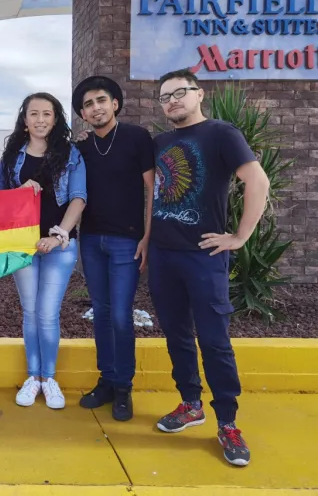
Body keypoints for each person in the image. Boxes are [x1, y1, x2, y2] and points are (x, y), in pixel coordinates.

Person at [149, 68, 270, 467]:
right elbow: (155, 194)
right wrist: (148, 240)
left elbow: (258, 181)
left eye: (180, 92)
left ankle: (228, 422)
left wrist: (239, 237)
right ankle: (190, 403)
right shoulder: (161, 141)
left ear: (198, 94)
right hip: (164, 258)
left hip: (205, 257)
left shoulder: (222, 133)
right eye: (165, 96)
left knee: (215, 341)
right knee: (177, 336)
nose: (172, 100)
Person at [0, 92, 87, 409]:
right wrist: (19, 191)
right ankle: (33, 378)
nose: (40, 120)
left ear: (56, 118)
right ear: (25, 119)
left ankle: (50, 378)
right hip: (23, 247)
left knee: (47, 314)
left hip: (59, 246)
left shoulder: (71, 153)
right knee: (30, 312)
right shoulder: (11, 157)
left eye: (47, 113)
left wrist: (59, 234)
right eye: (34, 114)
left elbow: (78, 198)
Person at [71, 76, 155, 421]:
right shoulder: (82, 147)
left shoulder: (137, 137)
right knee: (101, 313)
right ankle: (106, 380)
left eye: (101, 100)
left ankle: (123, 387)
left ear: (115, 103)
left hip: (127, 241)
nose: (96, 108)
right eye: (88, 105)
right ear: (83, 114)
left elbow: (152, 190)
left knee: (121, 315)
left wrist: (148, 237)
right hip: (91, 239)